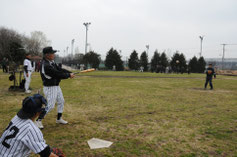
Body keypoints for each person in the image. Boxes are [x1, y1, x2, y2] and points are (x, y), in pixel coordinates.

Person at [35, 46, 75, 129]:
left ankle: (59, 118)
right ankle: (38, 120)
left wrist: (70, 73)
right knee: (50, 105)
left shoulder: (51, 62)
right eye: (52, 53)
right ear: (47, 55)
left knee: (61, 101)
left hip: (56, 85)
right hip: (50, 87)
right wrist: (68, 75)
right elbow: (57, 74)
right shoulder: (45, 65)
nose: (54, 54)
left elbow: (60, 69)